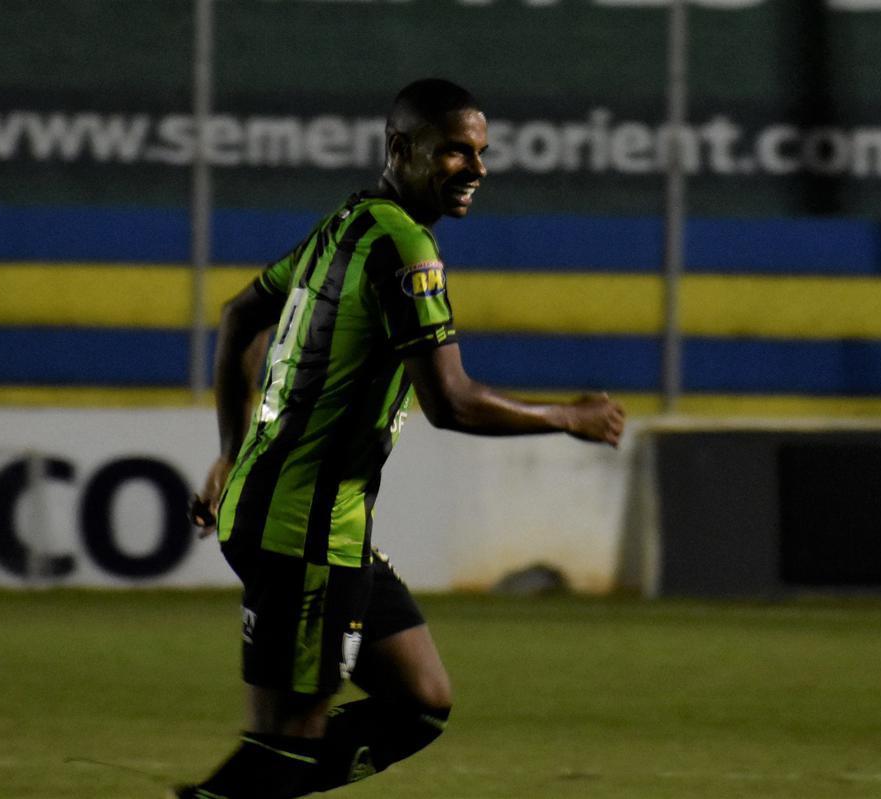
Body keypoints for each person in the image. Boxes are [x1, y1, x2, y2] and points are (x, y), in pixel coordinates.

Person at [174, 78, 625, 799]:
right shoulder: (404, 248)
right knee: (288, 742)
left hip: (312, 521)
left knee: (419, 700)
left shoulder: (350, 223)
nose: (476, 167)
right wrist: (570, 417)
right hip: (305, 531)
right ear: (401, 148)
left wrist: (232, 452)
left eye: (480, 151)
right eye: (455, 151)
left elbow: (239, 317)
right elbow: (451, 401)